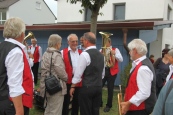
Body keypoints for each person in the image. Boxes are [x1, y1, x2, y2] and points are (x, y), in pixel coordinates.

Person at [0, 17, 34, 115]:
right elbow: (14, 83)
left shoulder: (2, 46)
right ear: (21, 33)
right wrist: (19, 111)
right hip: (11, 104)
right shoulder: (15, 51)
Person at [70, 32, 105, 115]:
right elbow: (102, 74)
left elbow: (78, 73)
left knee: (85, 111)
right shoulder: (101, 55)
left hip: (87, 87)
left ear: (86, 41)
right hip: (98, 86)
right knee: (95, 111)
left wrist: (73, 86)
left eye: (83, 40)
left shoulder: (85, 54)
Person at [121, 39, 156, 115]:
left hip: (140, 109)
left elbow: (144, 92)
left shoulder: (143, 68)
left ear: (135, 51)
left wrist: (129, 103)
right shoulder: (140, 64)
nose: (129, 52)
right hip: (136, 108)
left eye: (130, 50)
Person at [39, 34, 68, 115]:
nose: (60, 45)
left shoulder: (45, 53)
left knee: (48, 109)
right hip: (56, 86)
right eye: (60, 43)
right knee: (56, 111)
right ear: (57, 43)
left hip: (46, 85)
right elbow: (61, 72)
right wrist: (66, 78)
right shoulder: (56, 55)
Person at [61, 34, 82, 115]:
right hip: (67, 81)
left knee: (76, 103)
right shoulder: (63, 52)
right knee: (65, 102)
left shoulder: (81, 52)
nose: (75, 43)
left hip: (78, 82)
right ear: (68, 42)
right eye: (73, 41)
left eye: (76, 41)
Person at [100, 38, 123, 112]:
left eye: (106, 42)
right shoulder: (101, 50)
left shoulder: (115, 50)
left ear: (110, 42)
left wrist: (114, 54)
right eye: (104, 42)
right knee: (99, 87)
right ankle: (100, 102)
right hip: (104, 71)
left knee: (110, 88)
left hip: (112, 71)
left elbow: (121, 59)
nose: (105, 44)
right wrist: (101, 56)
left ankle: (108, 105)